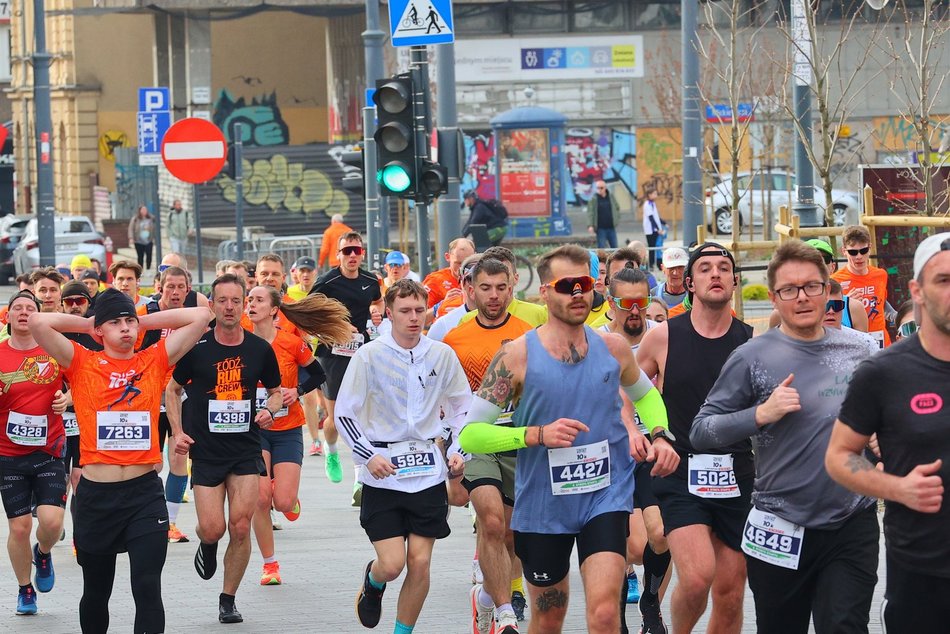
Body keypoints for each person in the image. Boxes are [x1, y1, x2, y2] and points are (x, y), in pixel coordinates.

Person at [458, 244, 671, 634]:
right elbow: (471, 434)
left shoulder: (613, 348)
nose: (577, 292)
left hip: (604, 495)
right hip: (544, 505)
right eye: (566, 285)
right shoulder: (516, 356)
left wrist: (659, 433)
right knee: (550, 617)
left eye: (585, 284)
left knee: (606, 614)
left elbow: (645, 394)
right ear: (544, 292)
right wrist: (535, 435)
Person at [691, 240, 878, 633]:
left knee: (845, 624)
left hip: (851, 520)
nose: (802, 298)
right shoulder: (752, 356)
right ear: (774, 298)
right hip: (780, 523)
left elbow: (886, 422)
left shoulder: (861, 352)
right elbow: (702, 431)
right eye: (789, 290)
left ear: (828, 290)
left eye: (812, 286)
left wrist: (881, 443)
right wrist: (760, 414)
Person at [29, 287, 210, 634]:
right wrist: (90, 324)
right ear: (100, 330)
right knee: (97, 592)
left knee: (147, 588)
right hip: (97, 498)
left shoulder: (153, 360)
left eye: (129, 321)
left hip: (144, 495)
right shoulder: (81, 361)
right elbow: (38, 321)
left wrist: (140, 320)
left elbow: (201, 316)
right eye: (116, 323)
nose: (125, 328)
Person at [826, 232, 950, 632]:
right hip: (921, 568)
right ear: (916, 290)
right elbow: (839, 456)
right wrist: (897, 489)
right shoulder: (885, 372)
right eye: (943, 281)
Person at [334, 279, 472, 634]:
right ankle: (374, 580)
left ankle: (402, 631)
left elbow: (462, 408)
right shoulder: (369, 355)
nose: (414, 318)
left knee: (421, 562)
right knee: (393, 564)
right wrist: (367, 456)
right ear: (389, 314)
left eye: (419, 310)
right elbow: (345, 414)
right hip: (383, 472)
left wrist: (458, 450)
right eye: (405, 311)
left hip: (427, 471)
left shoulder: (441, 355)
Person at [636, 242, 754, 634]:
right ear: (688, 282)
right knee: (699, 576)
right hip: (680, 470)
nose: (716, 274)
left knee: (732, 590)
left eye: (724, 268)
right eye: (705, 268)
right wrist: (650, 435)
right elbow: (625, 389)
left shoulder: (752, 342)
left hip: (737, 472)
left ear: (735, 281)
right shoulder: (664, 336)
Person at [165, 274, 283, 624]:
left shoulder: (259, 349)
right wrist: (178, 431)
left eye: (236, 301)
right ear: (212, 305)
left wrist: (269, 409)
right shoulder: (197, 348)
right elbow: (172, 390)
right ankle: (209, 543)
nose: (229, 307)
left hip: (245, 448)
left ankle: (228, 599)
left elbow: (276, 390)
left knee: (241, 525)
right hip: (207, 450)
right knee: (213, 527)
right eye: (223, 301)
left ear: (243, 304)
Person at [443, 257, 535, 633]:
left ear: (512, 288)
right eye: (485, 288)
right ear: (471, 289)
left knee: (511, 534)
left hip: (517, 439)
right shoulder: (453, 338)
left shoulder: (530, 333)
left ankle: (482, 597)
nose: (494, 295)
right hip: (474, 440)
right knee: (492, 522)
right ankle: (505, 613)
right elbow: (440, 397)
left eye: (501, 288)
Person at [244, 284, 350, 586]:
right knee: (260, 499)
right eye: (249, 300)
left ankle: (287, 497)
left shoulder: (291, 343)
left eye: (259, 300)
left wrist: (296, 390)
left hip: (288, 429)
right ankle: (270, 565)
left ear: (274, 309)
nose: (251, 304)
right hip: (255, 431)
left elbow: (318, 375)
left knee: (283, 501)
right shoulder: (241, 342)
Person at [601, 266, 678, 633]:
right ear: (610, 302)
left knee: (662, 535)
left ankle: (651, 603)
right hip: (611, 453)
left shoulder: (662, 339)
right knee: (629, 548)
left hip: (653, 448)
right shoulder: (596, 342)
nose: (635, 309)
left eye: (642, 301)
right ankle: (616, 611)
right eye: (627, 303)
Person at [0, 291, 68, 615]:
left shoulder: (55, 351)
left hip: (49, 450)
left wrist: (67, 401)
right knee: (19, 528)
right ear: (8, 316)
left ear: (38, 316)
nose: (24, 312)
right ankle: (25, 589)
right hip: (8, 454)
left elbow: (82, 386)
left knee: (52, 522)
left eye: (31, 308)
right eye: (18, 308)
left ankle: (43, 552)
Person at [309, 232, 383, 485]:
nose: (352, 256)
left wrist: (376, 313)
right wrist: (338, 326)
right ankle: (331, 452)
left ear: (362, 253)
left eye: (357, 251)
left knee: (362, 414)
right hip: (333, 354)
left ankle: (359, 477)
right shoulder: (327, 281)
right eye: (347, 251)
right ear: (338, 254)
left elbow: (378, 302)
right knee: (337, 417)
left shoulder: (370, 279)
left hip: (362, 352)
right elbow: (311, 314)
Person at [832, 225, 889, 347]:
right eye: (853, 252)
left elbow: (882, 304)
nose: (859, 256)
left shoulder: (881, 275)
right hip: (853, 343)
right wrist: (846, 302)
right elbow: (829, 317)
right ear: (844, 251)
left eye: (863, 251)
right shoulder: (835, 281)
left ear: (870, 248)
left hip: (882, 342)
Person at [422, 237, 476, 312]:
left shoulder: (483, 278)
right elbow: (420, 317)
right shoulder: (435, 280)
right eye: (458, 263)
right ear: (448, 257)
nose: (462, 268)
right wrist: (441, 305)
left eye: (467, 263)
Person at [587, 180, 621, 249]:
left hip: (611, 227)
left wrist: (617, 219)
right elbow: (590, 212)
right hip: (600, 228)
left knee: (615, 248)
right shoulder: (594, 199)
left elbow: (617, 207)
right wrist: (590, 225)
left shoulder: (610, 197)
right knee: (601, 248)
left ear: (605, 188)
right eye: (597, 188)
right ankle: (601, 260)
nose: (599, 190)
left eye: (601, 188)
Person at [641, 185, 665, 270]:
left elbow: (656, 217)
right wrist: (658, 229)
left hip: (655, 229)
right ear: (649, 194)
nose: (656, 195)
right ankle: (650, 265)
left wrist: (663, 223)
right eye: (654, 193)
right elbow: (651, 218)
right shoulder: (647, 204)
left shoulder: (653, 204)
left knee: (656, 247)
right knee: (652, 248)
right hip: (650, 230)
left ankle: (655, 264)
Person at [129, 205, 156, 271]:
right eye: (143, 210)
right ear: (140, 211)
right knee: (140, 256)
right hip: (138, 241)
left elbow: (154, 229)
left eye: (145, 210)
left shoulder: (151, 218)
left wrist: (154, 238)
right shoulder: (135, 219)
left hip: (148, 240)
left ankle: (148, 269)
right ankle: (140, 270)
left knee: (149, 255)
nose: (144, 211)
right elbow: (131, 228)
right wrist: (131, 238)